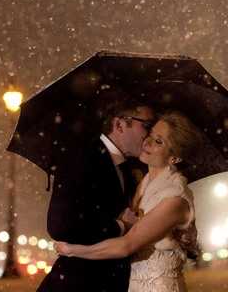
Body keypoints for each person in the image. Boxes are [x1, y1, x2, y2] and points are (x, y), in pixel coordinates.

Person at [56, 111, 201, 292]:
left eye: (159, 141)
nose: (147, 142)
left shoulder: (174, 197)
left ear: (175, 158)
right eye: (150, 134)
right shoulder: (141, 183)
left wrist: (73, 250)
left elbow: (127, 245)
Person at [37, 101, 155, 292]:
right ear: (119, 125)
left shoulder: (128, 169)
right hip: (79, 283)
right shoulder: (80, 157)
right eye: (147, 126)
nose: (150, 135)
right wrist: (120, 226)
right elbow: (60, 225)